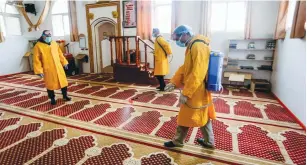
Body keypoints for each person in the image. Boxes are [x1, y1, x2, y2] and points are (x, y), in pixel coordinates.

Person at [163, 25, 216, 149]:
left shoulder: (198, 46)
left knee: (186, 115)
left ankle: (178, 141)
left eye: (178, 38)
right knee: (203, 114)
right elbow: (185, 67)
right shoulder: (192, 45)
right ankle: (209, 142)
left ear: (185, 34)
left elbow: (198, 72)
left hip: (196, 89)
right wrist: (174, 82)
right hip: (196, 88)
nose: (178, 42)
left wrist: (187, 93)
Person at [33, 30, 71, 105]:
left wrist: (64, 63)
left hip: (58, 67)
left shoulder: (54, 43)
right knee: (50, 85)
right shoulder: (38, 46)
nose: (49, 37)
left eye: (50, 36)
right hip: (48, 68)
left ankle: (65, 96)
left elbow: (60, 54)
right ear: (43, 36)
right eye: (47, 36)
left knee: (63, 82)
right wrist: (39, 71)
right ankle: (52, 98)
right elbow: (36, 59)